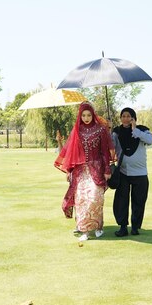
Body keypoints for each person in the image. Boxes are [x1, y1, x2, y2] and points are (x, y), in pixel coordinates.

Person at [54, 102, 114, 242]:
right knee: (81, 200)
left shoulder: (101, 130)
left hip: (97, 169)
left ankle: (98, 226)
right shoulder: (77, 131)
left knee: (96, 198)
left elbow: (105, 152)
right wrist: (69, 171)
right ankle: (84, 230)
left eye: (89, 115)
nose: (86, 118)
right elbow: (71, 152)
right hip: (80, 172)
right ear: (80, 116)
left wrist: (107, 169)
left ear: (93, 115)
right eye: (83, 115)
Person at [111, 107, 152, 237]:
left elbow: (150, 140)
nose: (125, 118)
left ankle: (135, 227)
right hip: (123, 172)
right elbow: (109, 145)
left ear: (133, 118)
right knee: (121, 201)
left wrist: (135, 130)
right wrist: (108, 129)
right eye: (123, 116)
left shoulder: (142, 130)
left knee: (139, 201)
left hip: (140, 173)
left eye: (128, 116)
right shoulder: (116, 132)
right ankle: (123, 227)